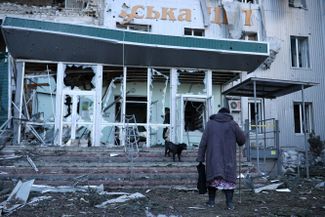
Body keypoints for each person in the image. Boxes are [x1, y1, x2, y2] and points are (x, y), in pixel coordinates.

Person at [196, 107, 246, 210]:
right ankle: (229, 204)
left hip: (213, 159)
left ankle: (211, 202)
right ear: (228, 114)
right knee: (229, 181)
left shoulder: (210, 124)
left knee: (212, 179)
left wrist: (200, 158)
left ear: (218, 113)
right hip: (229, 160)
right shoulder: (233, 124)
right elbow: (242, 140)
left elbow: (203, 142)